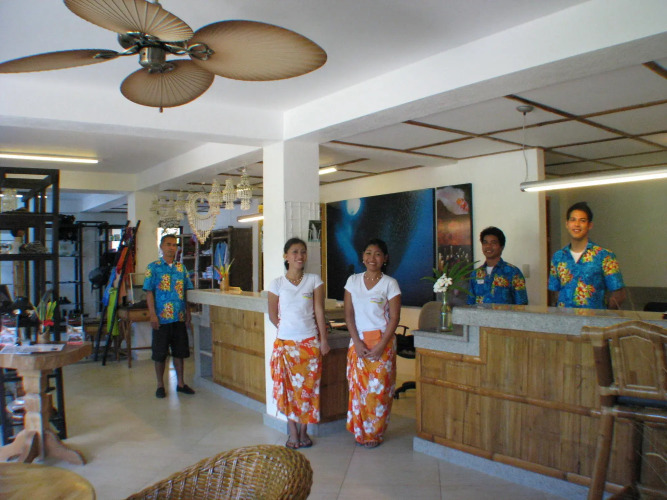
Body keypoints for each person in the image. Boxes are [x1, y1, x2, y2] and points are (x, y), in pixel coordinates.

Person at [268, 238, 330, 449]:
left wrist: (323, 340)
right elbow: (273, 315)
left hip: (309, 344)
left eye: (303, 252)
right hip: (285, 346)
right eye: (294, 252)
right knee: (288, 391)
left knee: (308, 391)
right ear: (286, 256)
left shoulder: (314, 280)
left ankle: (304, 432)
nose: (299, 256)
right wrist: (288, 330)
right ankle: (293, 432)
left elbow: (319, 311)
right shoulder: (277, 283)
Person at [344, 238, 401, 448]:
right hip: (358, 343)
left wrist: (381, 345)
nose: (372, 258)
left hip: (382, 343)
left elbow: (394, 318)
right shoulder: (353, 281)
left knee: (378, 391)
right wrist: (357, 342)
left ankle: (374, 434)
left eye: (377, 254)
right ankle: (360, 431)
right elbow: (349, 315)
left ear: (385, 258)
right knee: (358, 390)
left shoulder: (390, 284)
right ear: (362, 256)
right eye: (368, 253)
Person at [143, 234, 195, 398]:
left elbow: (186, 292)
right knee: (160, 353)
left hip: (179, 317)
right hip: (161, 318)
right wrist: (152, 315)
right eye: (168, 244)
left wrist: (188, 312)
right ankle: (160, 385)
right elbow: (149, 293)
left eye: (174, 245)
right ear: (161, 246)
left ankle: (180, 383)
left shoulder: (181, 268)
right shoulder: (153, 268)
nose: (171, 248)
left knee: (180, 352)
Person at [548, 202, 626, 309]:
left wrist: (605, 315)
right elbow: (555, 291)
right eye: (573, 220)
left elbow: (619, 294)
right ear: (567, 224)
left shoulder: (604, 256)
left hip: (594, 318)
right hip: (565, 317)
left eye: (582, 220)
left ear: (590, 225)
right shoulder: (558, 257)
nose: (577, 224)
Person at [467, 226, 528, 305]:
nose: (488, 246)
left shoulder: (513, 272)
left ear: (501, 247)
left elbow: (522, 304)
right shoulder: (475, 274)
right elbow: (470, 303)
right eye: (485, 242)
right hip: (480, 313)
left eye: (493, 243)